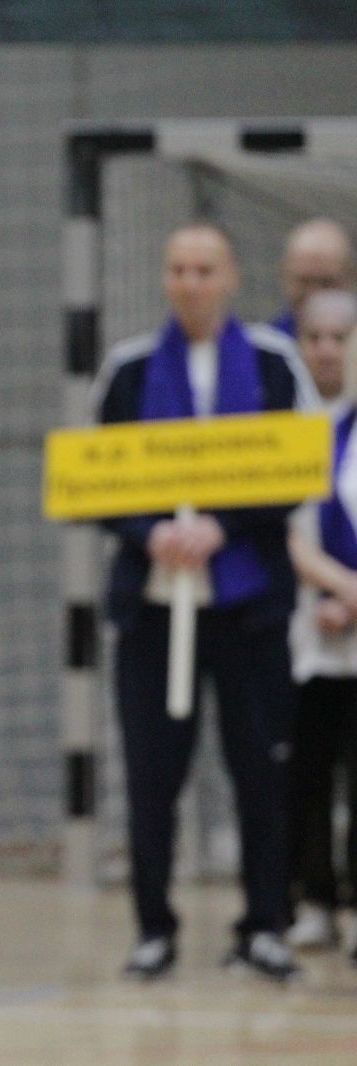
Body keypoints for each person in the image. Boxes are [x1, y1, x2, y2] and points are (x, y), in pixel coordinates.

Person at [94, 221, 313, 982]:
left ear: (231, 277)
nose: (190, 282)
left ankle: (264, 925)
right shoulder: (128, 370)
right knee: (153, 775)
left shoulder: (274, 364)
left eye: (204, 269)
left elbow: (294, 470)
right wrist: (151, 531)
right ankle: (154, 928)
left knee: (261, 772)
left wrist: (224, 526)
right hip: (155, 607)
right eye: (178, 268)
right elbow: (99, 481)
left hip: (250, 609)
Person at [284, 288, 357, 960]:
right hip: (309, 628)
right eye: (315, 337)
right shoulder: (286, 429)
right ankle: (315, 900)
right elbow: (285, 529)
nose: (328, 350)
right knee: (306, 774)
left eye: (341, 337)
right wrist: (333, 590)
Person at [273, 218, 355, 338]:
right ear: (284, 276)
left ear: (350, 277)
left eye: (326, 283)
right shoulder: (263, 346)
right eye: (304, 282)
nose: (314, 295)